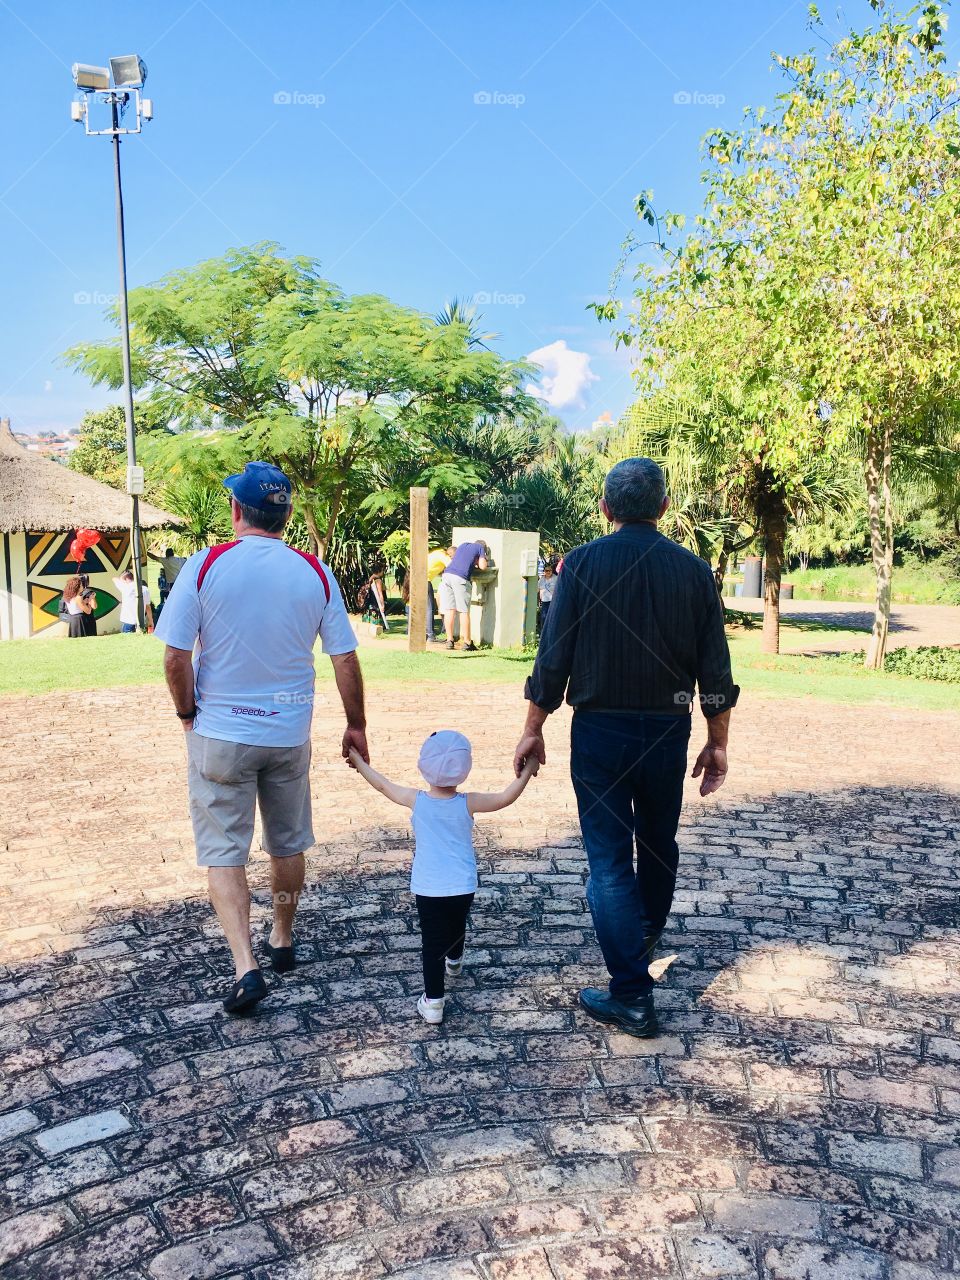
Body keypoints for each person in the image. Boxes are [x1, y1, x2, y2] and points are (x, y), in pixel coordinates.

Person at [513, 457, 738, 1039]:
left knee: (608, 860)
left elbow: (553, 657)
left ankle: (632, 994)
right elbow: (715, 668)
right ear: (665, 507)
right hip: (667, 730)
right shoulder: (694, 573)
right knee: (659, 841)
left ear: (606, 508)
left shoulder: (581, 565)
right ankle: (642, 933)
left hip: (600, 733)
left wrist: (534, 726)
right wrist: (718, 742)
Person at [155, 461, 369, 1016]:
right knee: (287, 840)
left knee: (224, 850)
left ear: (235, 511)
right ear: (287, 515)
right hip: (287, 733)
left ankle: (246, 966)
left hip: (220, 731)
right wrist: (356, 723)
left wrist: (187, 713)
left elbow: (176, 656)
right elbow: (343, 656)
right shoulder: (315, 573)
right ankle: (282, 934)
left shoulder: (204, 567)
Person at [349, 730, 537, 1023]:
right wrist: (528, 768)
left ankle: (434, 1001)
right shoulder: (468, 802)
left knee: (431, 942)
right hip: (462, 884)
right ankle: (455, 960)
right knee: (456, 924)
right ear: (464, 769)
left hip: (429, 886)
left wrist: (357, 759)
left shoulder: (416, 800)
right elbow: (505, 797)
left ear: (423, 765)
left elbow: (382, 785)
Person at [439, 540, 488, 651]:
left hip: (447, 575)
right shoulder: (480, 548)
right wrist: (483, 558)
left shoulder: (463, 545)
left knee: (450, 609)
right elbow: (483, 566)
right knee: (463, 611)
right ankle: (467, 643)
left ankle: (449, 641)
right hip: (460, 578)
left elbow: (462, 560)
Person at [537, 561, 557, 632]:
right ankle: (543, 631)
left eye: (549, 570)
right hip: (544, 601)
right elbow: (537, 589)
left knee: (552, 617)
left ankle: (551, 631)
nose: (548, 572)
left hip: (553, 601)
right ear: (544, 571)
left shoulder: (555, 578)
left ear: (552, 571)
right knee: (544, 617)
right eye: (546, 570)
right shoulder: (542, 579)